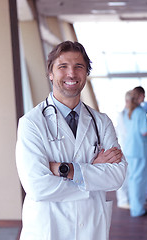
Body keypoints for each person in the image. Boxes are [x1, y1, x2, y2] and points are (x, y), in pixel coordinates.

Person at [16, 41, 127, 240]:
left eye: (79, 67)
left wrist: (65, 170)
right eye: (63, 67)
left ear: (86, 73)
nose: (71, 74)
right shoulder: (31, 123)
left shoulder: (101, 122)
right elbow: (38, 187)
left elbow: (117, 176)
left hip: (91, 228)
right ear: (50, 73)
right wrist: (92, 175)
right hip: (48, 229)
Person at [123, 87, 147, 217]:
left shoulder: (128, 111)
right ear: (141, 95)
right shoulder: (140, 111)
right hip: (140, 150)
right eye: (144, 95)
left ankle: (136, 207)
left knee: (133, 179)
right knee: (139, 180)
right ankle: (137, 209)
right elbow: (144, 131)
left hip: (131, 149)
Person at [115, 90, 132, 209]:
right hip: (125, 148)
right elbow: (125, 133)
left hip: (131, 149)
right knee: (124, 175)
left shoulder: (132, 114)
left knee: (131, 176)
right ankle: (123, 200)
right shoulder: (121, 115)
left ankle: (129, 199)